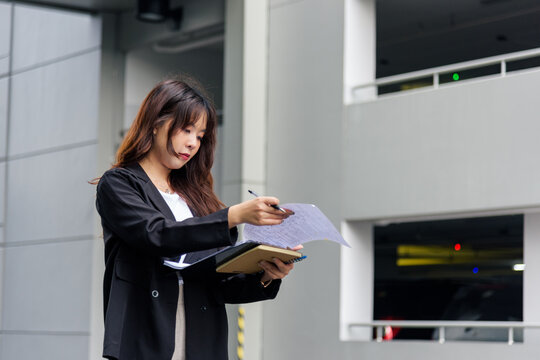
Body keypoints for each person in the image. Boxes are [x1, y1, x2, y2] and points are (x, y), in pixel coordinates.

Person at [94, 78, 296, 360]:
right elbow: (156, 234)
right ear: (155, 122)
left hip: (202, 339)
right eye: (186, 129)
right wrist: (233, 215)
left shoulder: (198, 197)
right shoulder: (119, 184)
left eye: (200, 136)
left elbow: (218, 284)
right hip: (146, 335)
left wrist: (266, 274)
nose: (192, 143)